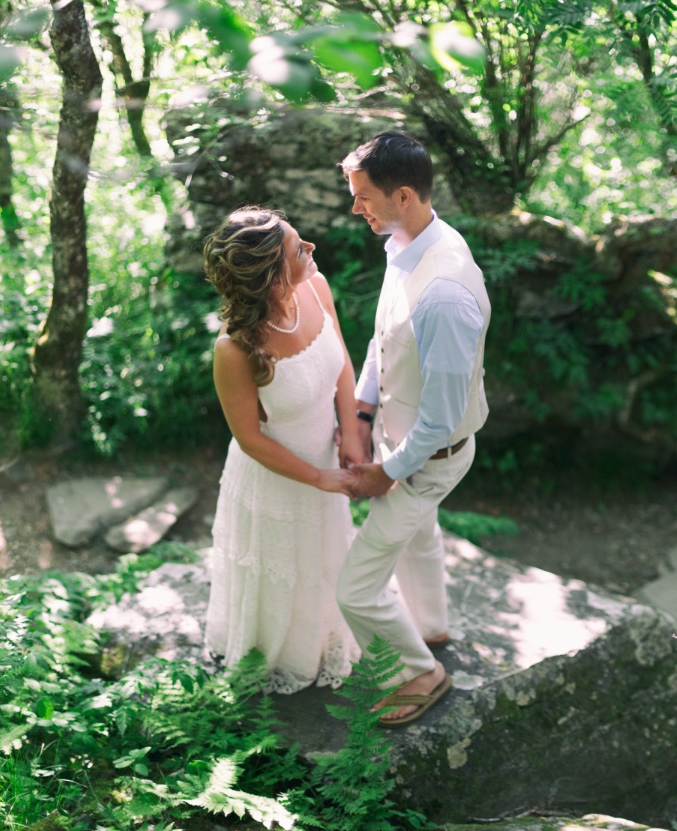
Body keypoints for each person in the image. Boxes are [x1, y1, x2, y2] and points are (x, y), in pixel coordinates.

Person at [337, 132, 491, 727]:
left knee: (355, 590)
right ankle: (430, 627)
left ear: (403, 194)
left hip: (429, 457)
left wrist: (385, 473)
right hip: (399, 438)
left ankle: (420, 671)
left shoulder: (445, 295)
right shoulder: (403, 240)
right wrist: (363, 410)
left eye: (364, 197)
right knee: (420, 538)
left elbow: (444, 418)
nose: (356, 209)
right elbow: (385, 339)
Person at [203, 207, 362, 693]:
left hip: (326, 464)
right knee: (280, 578)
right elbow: (250, 439)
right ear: (271, 276)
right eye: (298, 248)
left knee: (327, 565)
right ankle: (276, 660)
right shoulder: (234, 350)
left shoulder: (315, 287)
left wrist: (351, 434)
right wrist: (320, 479)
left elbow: (341, 363)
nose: (311, 248)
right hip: (276, 480)